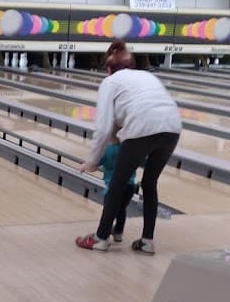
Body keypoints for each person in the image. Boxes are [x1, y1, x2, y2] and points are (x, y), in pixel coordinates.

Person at [75, 41, 182, 254]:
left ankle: (101, 238)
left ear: (108, 69)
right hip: (173, 127)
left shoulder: (110, 82)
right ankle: (147, 241)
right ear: (131, 65)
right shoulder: (148, 76)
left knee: (117, 184)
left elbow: (104, 128)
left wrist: (93, 161)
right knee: (150, 183)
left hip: (141, 128)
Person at [99, 136, 136, 243]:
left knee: (109, 210)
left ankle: (103, 234)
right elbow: (142, 162)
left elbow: (96, 162)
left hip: (113, 187)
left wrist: (86, 165)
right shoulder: (131, 150)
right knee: (121, 209)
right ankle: (118, 233)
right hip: (130, 186)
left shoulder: (108, 150)